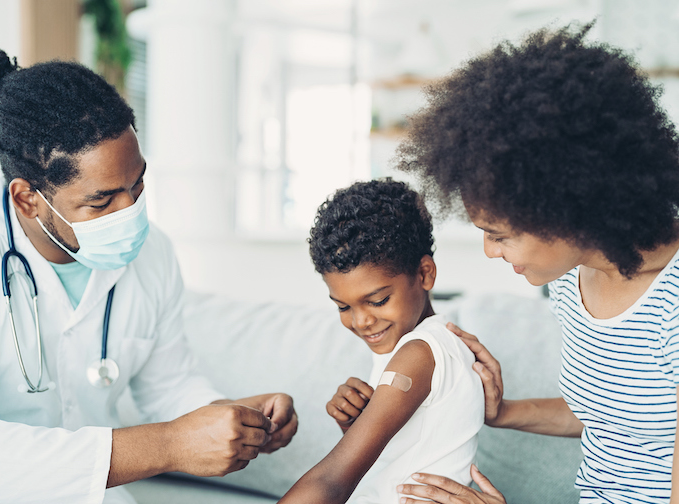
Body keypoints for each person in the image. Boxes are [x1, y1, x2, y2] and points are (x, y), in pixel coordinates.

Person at [0, 48, 297, 504]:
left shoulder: (152, 252)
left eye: (138, 184)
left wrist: (229, 417)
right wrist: (169, 444)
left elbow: (168, 384)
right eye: (101, 202)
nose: (131, 213)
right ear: (27, 198)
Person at [393, 22, 679, 504]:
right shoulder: (571, 280)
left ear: (565, 208)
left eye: (499, 234)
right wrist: (503, 411)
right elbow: (613, 414)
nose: (489, 250)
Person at [279, 179, 484, 504]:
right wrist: (357, 426)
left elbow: (333, 478)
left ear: (424, 274)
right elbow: (403, 454)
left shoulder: (419, 353)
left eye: (377, 300)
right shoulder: (414, 344)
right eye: (343, 306)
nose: (360, 321)